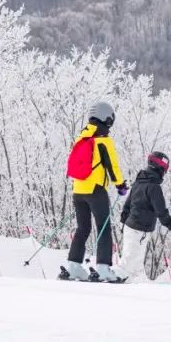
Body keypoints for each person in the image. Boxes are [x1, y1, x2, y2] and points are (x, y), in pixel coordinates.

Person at [63, 101, 128, 281]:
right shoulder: (103, 140)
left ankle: (74, 265)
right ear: (107, 118)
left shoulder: (81, 138)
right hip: (96, 190)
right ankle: (103, 268)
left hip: (78, 190)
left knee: (83, 228)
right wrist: (121, 185)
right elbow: (112, 166)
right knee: (104, 227)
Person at [117, 152, 171, 282]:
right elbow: (162, 214)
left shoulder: (139, 182)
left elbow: (127, 205)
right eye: (164, 171)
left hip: (135, 230)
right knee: (126, 265)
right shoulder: (154, 187)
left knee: (136, 268)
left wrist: (122, 222)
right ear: (159, 168)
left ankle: (139, 290)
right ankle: (108, 283)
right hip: (137, 230)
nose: (164, 174)